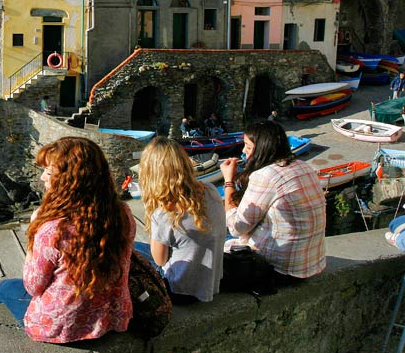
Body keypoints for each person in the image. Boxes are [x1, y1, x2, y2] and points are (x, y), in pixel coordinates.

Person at [0, 137, 135, 343]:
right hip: (110, 319)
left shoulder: (54, 229)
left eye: (49, 172)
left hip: (64, 329)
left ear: (71, 181)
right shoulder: (123, 214)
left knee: (5, 288)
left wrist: (35, 232)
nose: (43, 178)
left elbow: (33, 286)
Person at [219, 121, 326, 283]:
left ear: (262, 148)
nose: (243, 151)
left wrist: (228, 181)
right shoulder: (304, 166)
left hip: (279, 269)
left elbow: (236, 227)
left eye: (247, 147)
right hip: (308, 263)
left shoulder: (265, 176)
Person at [136, 137, 225, 303]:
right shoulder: (211, 191)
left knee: (136, 250)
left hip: (180, 291)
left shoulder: (163, 213)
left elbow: (160, 260)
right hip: (212, 282)